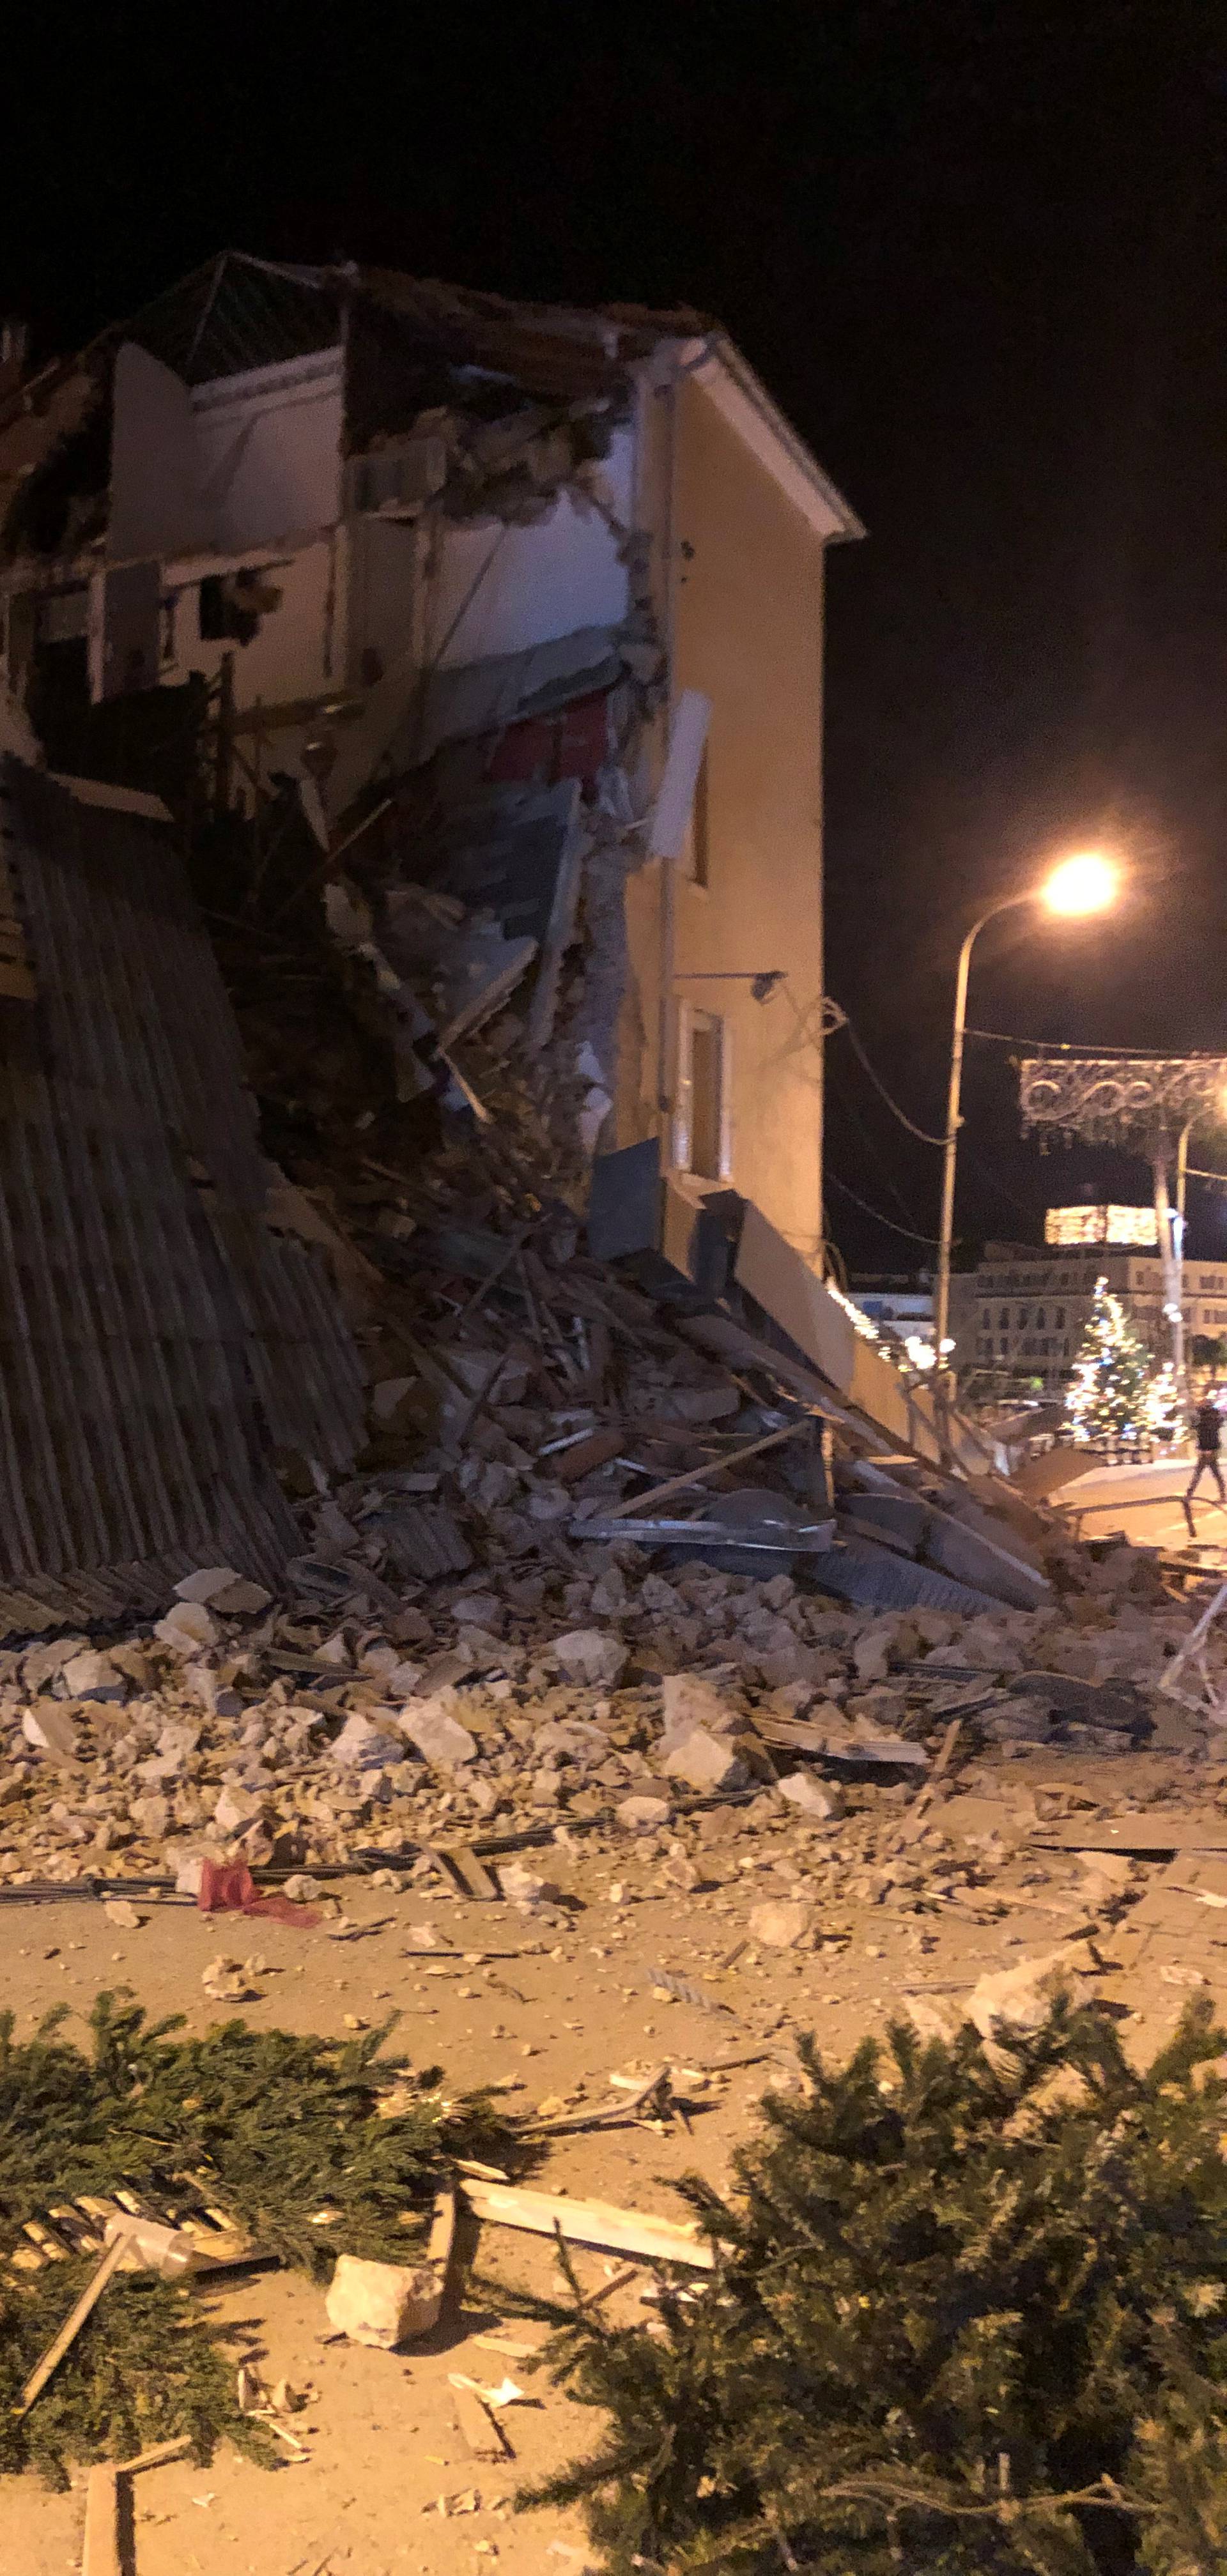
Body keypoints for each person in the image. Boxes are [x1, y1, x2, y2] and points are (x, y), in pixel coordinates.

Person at [1184, 1392, 1226, 1530]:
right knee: (1212, 1474)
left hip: (1208, 1449)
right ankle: (1222, 1494)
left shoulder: (1206, 1418)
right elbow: (1196, 1425)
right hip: (1208, 1449)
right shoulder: (1209, 1417)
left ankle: (1190, 1495)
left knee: (1201, 1474)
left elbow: (1197, 1425)